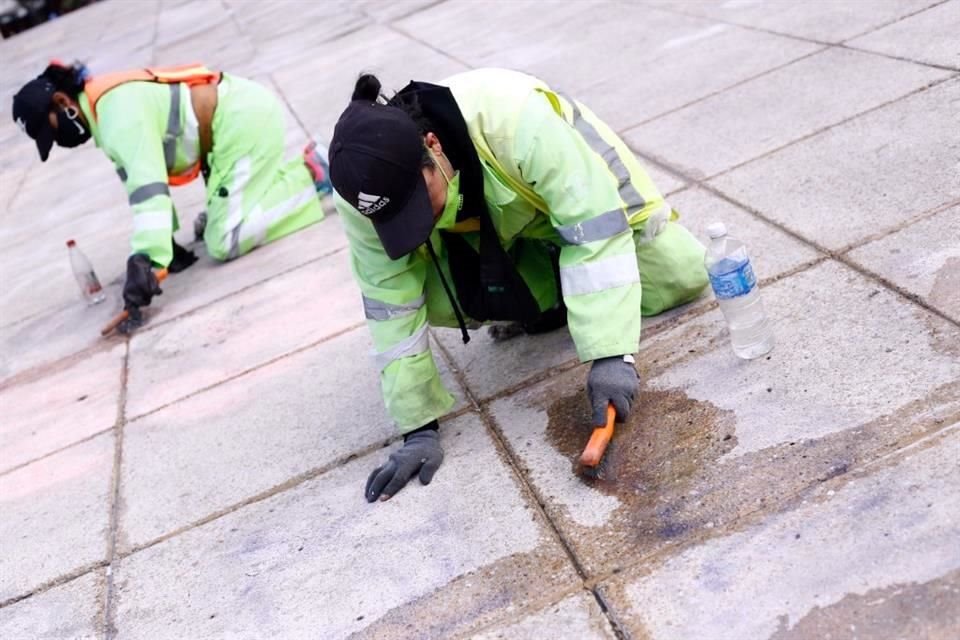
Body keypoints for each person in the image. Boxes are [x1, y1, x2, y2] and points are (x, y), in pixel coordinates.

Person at [329, 69, 709, 503]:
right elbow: (389, 305)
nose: (420, 219)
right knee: (435, 299)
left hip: (573, 194)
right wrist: (418, 427)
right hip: (492, 227)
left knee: (681, 274)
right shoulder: (361, 194)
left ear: (432, 148)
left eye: (420, 200)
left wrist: (610, 353)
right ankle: (553, 292)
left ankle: (564, 273)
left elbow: (595, 225)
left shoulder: (515, 122)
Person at [12, 61, 332, 332]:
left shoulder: (116, 113)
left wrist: (148, 259)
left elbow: (148, 188)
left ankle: (314, 173)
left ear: (62, 102)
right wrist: (166, 242)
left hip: (241, 124)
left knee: (225, 239)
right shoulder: (102, 108)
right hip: (232, 129)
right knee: (208, 229)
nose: (55, 140)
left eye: (50, 130)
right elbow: (138, 183)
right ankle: (289, 179)